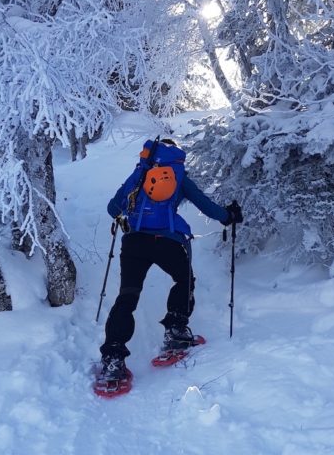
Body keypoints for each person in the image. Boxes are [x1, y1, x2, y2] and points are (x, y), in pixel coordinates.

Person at [99, 137, 243, 380]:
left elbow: (114, 209)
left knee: (128, 297)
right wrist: (228, 216)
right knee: (184, 280)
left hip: (135, 243)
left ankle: (113, 358)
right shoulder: (178, 175)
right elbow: (204, 204)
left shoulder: (141, 173)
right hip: (169, 241)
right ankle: (176, 330)